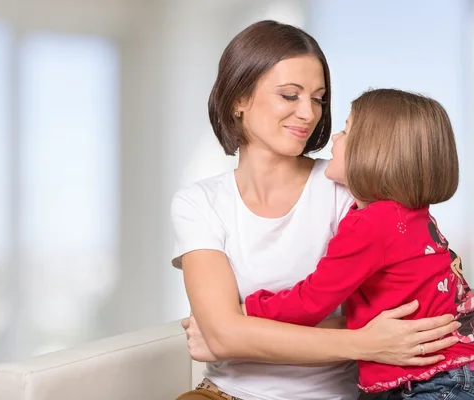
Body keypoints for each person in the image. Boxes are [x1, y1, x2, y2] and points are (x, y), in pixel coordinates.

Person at [170, 20, 460, 400]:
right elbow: (223, 335)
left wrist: (243, 334)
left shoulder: (351, 187)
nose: (309, 113)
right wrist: (364, 341)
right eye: (290, 95)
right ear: (239, 99)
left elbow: (414, 310)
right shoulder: (198, 202)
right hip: (224, 393)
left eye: (319, 98)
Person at [243, 88, 473, 398]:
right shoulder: (409, 216)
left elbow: (312, 301)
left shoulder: (374, 225)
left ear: (375, 151)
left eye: (346, 130)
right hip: (448, 372)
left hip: (435, 381)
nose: (334, 139)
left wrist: (250, 308)